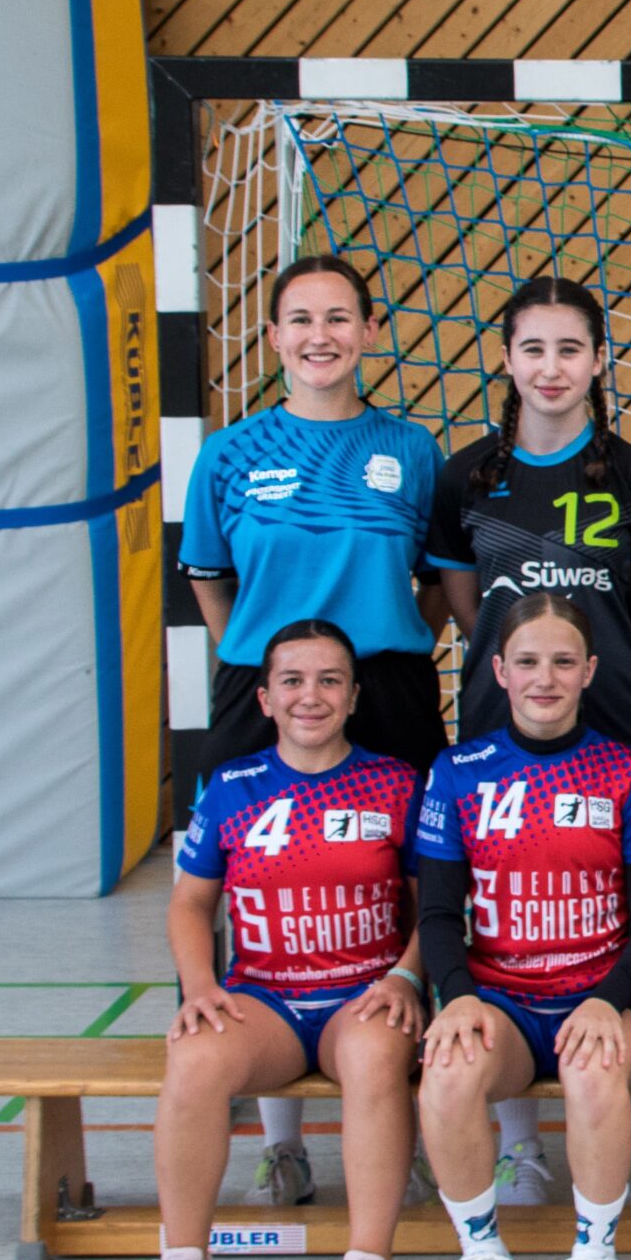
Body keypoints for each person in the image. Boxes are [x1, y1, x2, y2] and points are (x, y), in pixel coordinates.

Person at [177, 253, 449, 1208]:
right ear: (274, 336)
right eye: (300, 319)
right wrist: (268, 661)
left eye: (339, 318)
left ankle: (411, 1118)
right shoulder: (230, 452)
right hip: (269, 682)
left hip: (386, 679)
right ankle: (280, 1139)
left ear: (370, 332)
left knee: (406, 879)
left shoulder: (410, 448)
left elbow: (434, 584)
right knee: (258, 881)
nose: (320, 335)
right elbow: (210, 578)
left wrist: (379, 649)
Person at [426, 275, 631, 1211]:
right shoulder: (466, 476)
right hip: (504, 724)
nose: (551, 367)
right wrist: (528, 669)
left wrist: (582, 665)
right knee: (511, 912)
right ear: (506, 359)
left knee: (598, 904)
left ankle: (602, 1118)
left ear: (599, 360)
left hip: (606, 716)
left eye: (570, 348)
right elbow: (468, 607)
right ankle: (520, 1144)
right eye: (533, 348)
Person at [134, 621, 426, 1260]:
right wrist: (200, 986)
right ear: (264, 698)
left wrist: (405, 975)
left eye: (330, 680)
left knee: (374, 1056)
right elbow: (190, 903)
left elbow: (436, 907)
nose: (311, 696)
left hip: (362, 993)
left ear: (354, 695)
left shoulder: (396, 783)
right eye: (292, 681)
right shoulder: (232, 786)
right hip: (264, 998)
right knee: (193, 1058)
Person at [412, 593, 631, 1260]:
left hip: (605, 995)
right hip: (504, 1000)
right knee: (448, 1070)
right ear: (499, 670)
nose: (545, 678)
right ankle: (482, 1256)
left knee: (594, 1070)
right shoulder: (459, 772)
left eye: (563, 662)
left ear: (589, 670)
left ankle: (594, 1255)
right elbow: (438, 913)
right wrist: (458, 995)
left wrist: (607, 997)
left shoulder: (626, 771)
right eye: (528, 662)